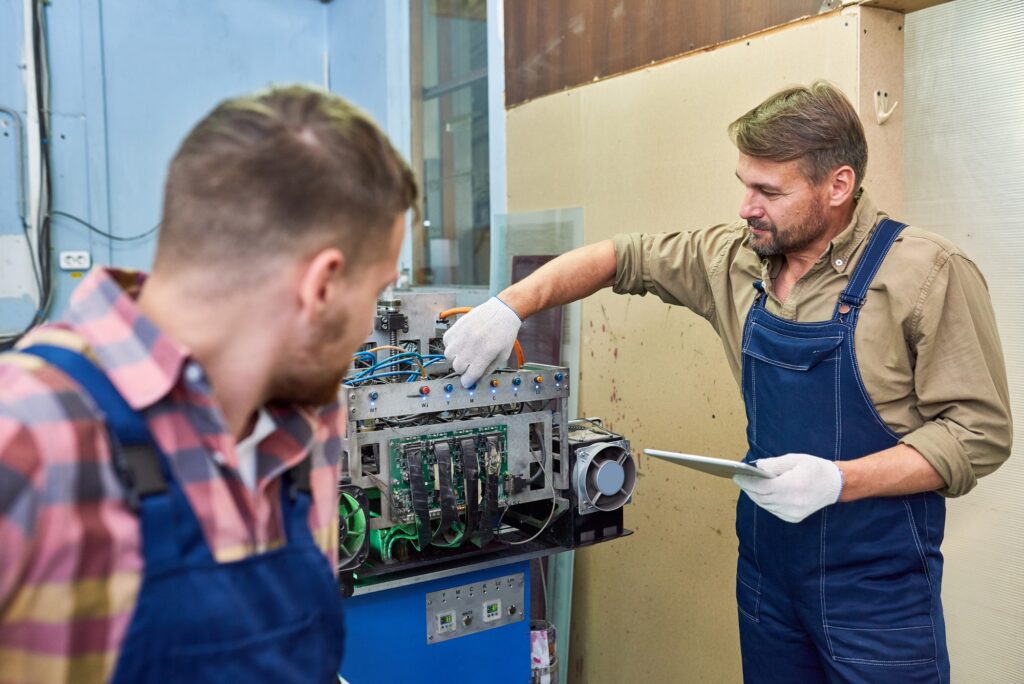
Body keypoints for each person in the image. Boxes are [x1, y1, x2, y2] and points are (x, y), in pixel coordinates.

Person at [442, 81, 1012, 682]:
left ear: (838, 186)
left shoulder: (927, 273)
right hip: (767, 580)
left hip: (875, 597)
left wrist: (841, 480)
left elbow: (979, 433)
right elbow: (621, 257)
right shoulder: (734, 261)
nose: (746, 206)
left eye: (769, 190)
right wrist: (509, 306)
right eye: (745, 184)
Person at [0, 85, 416, 683]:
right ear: (320, 286)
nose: (370, 330)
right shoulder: (30, 438)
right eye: (377, 292)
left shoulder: (307, 430)